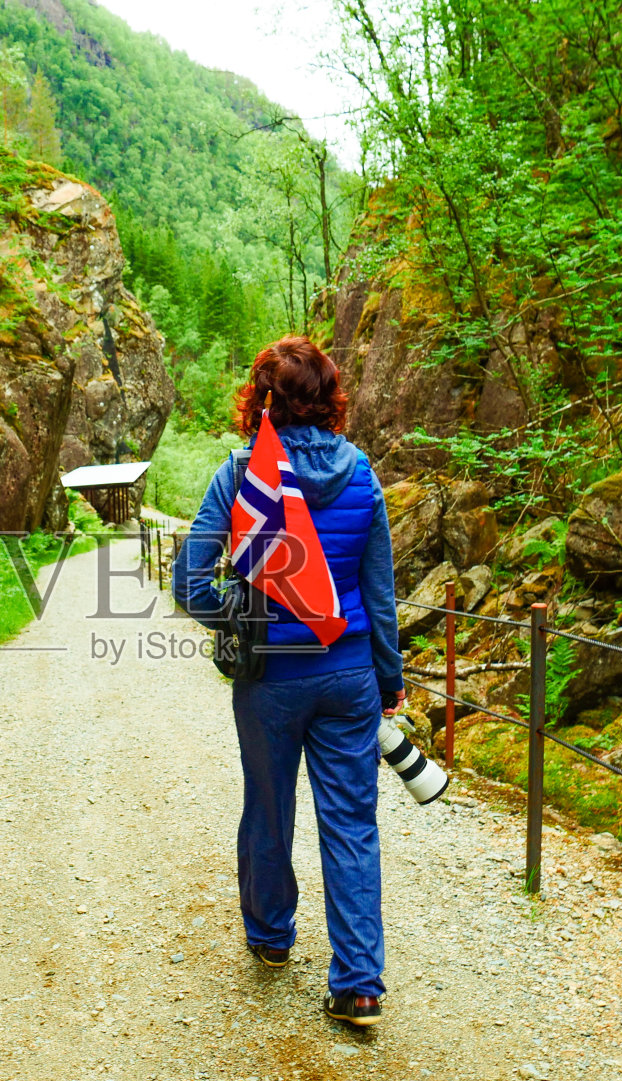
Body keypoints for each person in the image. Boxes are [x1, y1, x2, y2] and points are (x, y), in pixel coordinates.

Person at [172, 336, 404, 1028]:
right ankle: (359, 984)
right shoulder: (363, 473)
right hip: (349, 672)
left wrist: (236, 619)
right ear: (330, 398)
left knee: (268, 806)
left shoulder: (243, 474)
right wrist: (388, 681)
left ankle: (271, 939)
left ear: (262, 400)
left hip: (271, 676)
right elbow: (380, 594)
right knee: (353, 824)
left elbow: (188, 583)